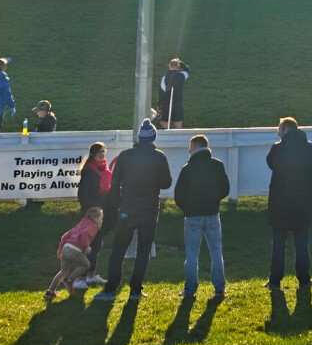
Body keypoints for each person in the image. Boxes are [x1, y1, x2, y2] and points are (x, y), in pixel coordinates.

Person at [97, 120, 174, 303]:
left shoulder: (125, 156)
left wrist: (116, 205)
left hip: (127, 208)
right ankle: (135, 289)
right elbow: (166, 183)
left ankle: (111, 287)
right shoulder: (159, 157)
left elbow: (115, 183)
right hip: (149, 209)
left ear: (139, 137)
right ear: (153, 137)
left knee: (118, 249)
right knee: (143, 250)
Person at [174, 133, 230, 301]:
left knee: (192, 254)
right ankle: (219, 288)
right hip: (212, 213)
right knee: (216, 252)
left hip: (192, 215)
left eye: (190, 147)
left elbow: (178, 195)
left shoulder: (187, 168)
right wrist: (214, 200)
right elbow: (225, 189)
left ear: (196, 147)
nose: (189, 150)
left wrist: (187, 208)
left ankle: (190, 289)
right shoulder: (217, 165)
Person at [266, 117, 312, 291]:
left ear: (285, 129)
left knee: (278, 245)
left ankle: (274, 281)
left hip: (280, 203)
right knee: (301, 245)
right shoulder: (309, 148)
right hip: (302, 203)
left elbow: (271, 163)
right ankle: (304, 279)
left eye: (279, 128)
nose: (277, 131)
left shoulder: (277, 148)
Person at [46, 207, 103, 302]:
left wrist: (60, 249)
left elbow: (65, 236)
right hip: (75, 249)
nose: (101, 220)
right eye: (101, 218)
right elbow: (85, 235)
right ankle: (69, 279)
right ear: (96, 218)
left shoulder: (82, 222)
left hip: (66, 247)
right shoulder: (93, 226)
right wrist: (86, 247)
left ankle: (50, 292)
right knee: (86, 265)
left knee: (63, 271)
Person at [77, 142, 113, 285]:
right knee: (87, 246)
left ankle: (91, 274)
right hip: (91, 213)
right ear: (93, 154)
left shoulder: (104, 168)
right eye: (99, 152)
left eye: (103, 152)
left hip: (102, 212)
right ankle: (79, 278)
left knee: (97, 244)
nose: (102, 155)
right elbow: (83, 194)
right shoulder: (89, 171)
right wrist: (90, 210)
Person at [155, 57, 190, 129]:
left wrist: (159, 104)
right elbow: (187, 69)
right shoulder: (182, 75)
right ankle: (177, 133)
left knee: (164, 122)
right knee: (178, 124)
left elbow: (161, 92)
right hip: (178, 104)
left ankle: (170, 130)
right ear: (179, 66)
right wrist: (180, 63)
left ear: (169, 66)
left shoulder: (164, 78)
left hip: (166, 104)